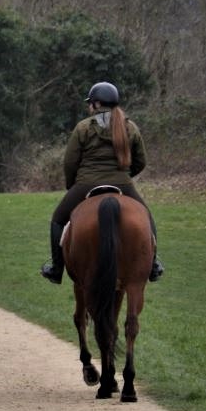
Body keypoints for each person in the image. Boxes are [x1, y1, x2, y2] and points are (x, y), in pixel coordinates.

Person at [40, 81, 165, 284]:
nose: (89, 107)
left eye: (91, 103)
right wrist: (124, 176)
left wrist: (73, 184)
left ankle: (56, 268)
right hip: (122, 182)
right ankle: (153, 265)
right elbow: (141, 160)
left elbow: (70, 162)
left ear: (97, 104)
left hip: (86, 183)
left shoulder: (83, 128)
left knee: (58, 219)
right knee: (147, 217)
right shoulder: (130, 127)